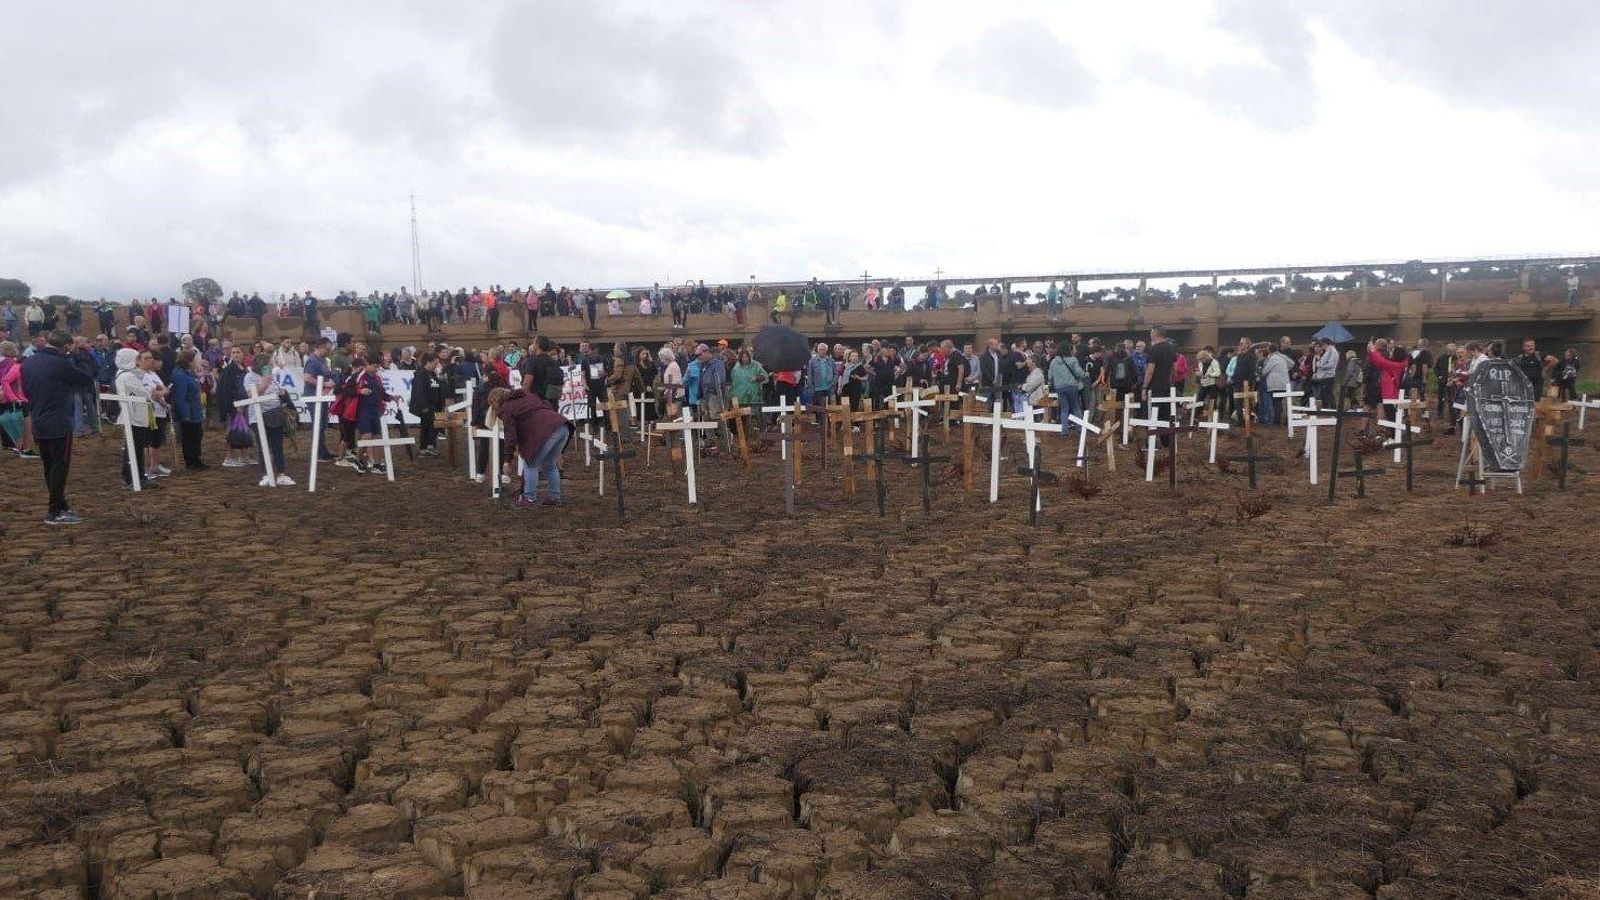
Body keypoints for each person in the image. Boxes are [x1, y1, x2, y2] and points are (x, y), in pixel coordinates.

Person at [21, 331, 98, 523]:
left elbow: (26, 388)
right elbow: (87, 378)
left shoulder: (29, 361)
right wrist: (79, 357)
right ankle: (55, 511)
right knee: (60, 466)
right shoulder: (62, 363)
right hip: (58, 421)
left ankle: (60, 505)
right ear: (65, 347)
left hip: (39, 419)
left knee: (49, 466)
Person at [494, 385, 570, 508]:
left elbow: (511, 436)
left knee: (530, 464)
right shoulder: (529, 397)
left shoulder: (506, 408)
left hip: (547, 432)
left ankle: (529, 498)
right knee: (550, 464)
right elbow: (547, 406)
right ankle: (554, 496)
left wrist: (507, 460)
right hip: (562, 426)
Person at [243, 361, 294, 487]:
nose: (270, 367)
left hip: (275, 414)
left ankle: (281, 474)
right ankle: (266, 474)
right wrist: (265, 381)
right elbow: (252, 394)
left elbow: (276, 390)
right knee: (263, 445)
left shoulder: (271, 377)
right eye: (268, 365)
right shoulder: (250, 376)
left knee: (277, 445)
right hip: (258, 416)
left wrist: (281, 393)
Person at [170, 350, 207, 470]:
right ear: (189, 361)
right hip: (189, 412)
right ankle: (191, 460)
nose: (197, 361)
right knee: (190, 436)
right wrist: (185, 414)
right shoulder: (180, 375)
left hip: (194, 410)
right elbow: (181, 396)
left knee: (196, 435)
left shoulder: (187, 373)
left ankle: (195, 458)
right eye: (195, 359)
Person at [0, 341, 37, 458]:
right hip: (14, 397)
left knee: (11, 423)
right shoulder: (12, 364)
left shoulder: (3, 363)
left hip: (6, 397)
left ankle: (18, 446)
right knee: (25, 421)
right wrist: (14, 398)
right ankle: (25, 449)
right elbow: (6, 380)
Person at [1048, 342, 1087, 433]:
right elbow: (1079, 373)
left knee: (1064, 408)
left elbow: (1050, 376)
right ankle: (1080, 427)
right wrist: (1085, 375)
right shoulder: (1072, 359)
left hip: (1059, 388)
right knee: (1076, 407)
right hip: (1071, 386)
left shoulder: (1053, 361)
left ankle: (1064, 430)